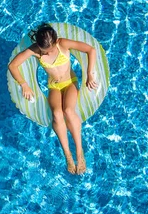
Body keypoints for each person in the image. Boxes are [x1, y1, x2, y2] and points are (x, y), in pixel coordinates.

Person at [8, 23, 98, 175]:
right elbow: (13, 65)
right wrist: (24, 85)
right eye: (44, 52)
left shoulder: (63, 43)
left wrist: (89, 73)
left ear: (56, 42)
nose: (47, 54)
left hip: (70, 83)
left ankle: (79, 152)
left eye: (50, 51)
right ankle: (68, 155)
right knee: (57, 114)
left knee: (68, 110)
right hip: (54, 86)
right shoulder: (36, 50)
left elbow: (91, 50)